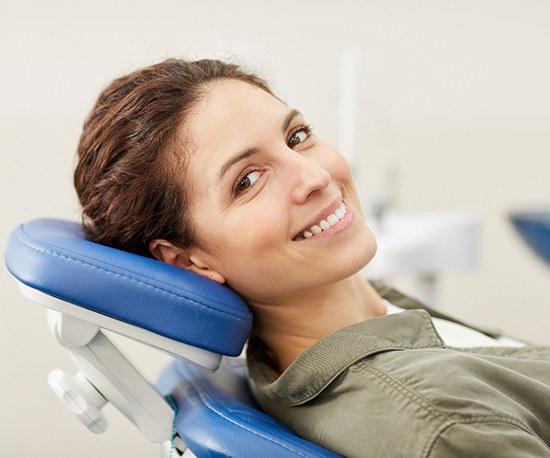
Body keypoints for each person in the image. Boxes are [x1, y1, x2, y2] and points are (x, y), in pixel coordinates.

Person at [74, 58, 550, 457]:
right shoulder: (441, 423)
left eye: (297, 136)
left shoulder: (365, 311)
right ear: (188, 261)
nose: (314, 176)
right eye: (248, 180)